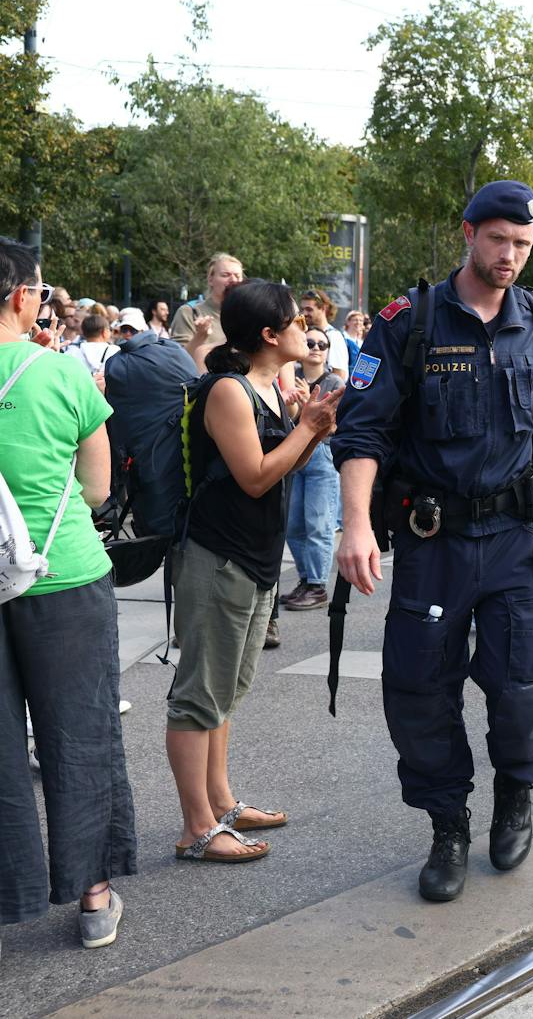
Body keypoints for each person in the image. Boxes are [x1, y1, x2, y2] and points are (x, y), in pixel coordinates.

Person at [334, 180, 533, 903]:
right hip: (437, 542)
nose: (510, 256)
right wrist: (356, 524)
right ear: (469, 233)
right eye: (499, 240)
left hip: (517, 537)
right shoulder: (409, 322)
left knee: (525, 685)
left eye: (523, 244)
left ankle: (516, 793)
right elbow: (363, 430)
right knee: (420, 689)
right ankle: (447, 822)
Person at [164, 279, 341, 865]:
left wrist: (309, 431)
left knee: (228, 690)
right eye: (297, 323)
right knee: (199, 696)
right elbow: (258, 476)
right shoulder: (229, 393)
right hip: (218, 557)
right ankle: (196, 827)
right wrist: (308, 429)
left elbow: (283, 471)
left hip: (255, 557)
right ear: (269, 335)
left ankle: (221, 804)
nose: (308, 332)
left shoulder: (271, 387)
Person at [0, 240, 134, 951]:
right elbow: (97, 490)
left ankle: (11, 892)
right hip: (63, 572)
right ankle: (92, 897)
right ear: (23, 296)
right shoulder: (58, 374)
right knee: (79, 733)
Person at [282, 324, 346, 612]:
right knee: (293, 526)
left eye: (322, 344)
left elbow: (332, 421)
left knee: (319, 523)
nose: (316, 348)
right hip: (294, 450)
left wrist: (308, 399)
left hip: (323, 452)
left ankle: (318, 586)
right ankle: (306, 579)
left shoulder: (333, 382)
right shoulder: (290, 378)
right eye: (310, 342)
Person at [170, 253, 243, 369]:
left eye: (238, 276)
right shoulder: (189, 312)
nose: (233, 280)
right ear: (210, 279)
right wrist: (200, 335)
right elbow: (177, 361)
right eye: (225, 275)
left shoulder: (247, 314)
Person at [67, 313, 117, 382]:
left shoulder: (71, 352)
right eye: (109, 329)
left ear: (83, 332)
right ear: (104, 332)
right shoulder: (115, 351)